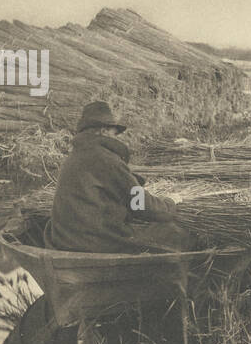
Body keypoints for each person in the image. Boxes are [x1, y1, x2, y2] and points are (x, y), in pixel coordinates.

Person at [44, 100, 189, 254]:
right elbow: (141, 205)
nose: (116, 138)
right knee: (176, 233)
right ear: (103, 131)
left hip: (64, 240)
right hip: (93, 243)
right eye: (114, 133)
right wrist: (169, 202)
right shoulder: (106, 159)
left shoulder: (74, 156)